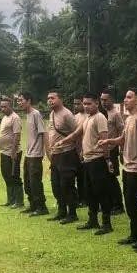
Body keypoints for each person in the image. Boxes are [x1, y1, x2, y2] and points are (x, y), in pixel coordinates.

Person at [99, 88, 137, 250]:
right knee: (130, 203)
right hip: (128, 167)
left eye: (129, 97)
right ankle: (134, 234)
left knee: (133, 203)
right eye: (125, 97)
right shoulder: (129, 118)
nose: (126, 99)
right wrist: (108, 142)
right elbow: (122, 139)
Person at [54, 92, 113, 234]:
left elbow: (104, 141)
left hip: (97, 160)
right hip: (87, 161)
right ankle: (92, 220)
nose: (86, 106)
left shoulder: (100, 118)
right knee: (89, 192)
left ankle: (106, 224)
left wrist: (107, 160)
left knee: (101, 192)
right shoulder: (88, 118)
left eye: (89, 103)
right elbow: (76, 134)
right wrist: (63, 141)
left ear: (96, 104)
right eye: (84, 104)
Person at [46, 91, 80, 224]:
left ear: (60, 99)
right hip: (56, 154)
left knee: (67, 185)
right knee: (56, 184)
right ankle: (61, 211)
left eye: (52, 98)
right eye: (48, 98)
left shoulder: (67, 114)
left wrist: (78, 152)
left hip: (67, 154)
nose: (50, 100)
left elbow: (76, 133)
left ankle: (72, 213)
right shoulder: (52, 114)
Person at [0, 98, 24, 208]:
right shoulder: (4, 118)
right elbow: (1, 136)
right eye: (1, 106)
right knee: (6, 176)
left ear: (10, 106)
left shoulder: (15, 118)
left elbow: (17, 136)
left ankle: (19, 201)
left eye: (5, 106)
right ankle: (10, 200)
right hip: (4, 152)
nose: (2, 109)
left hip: (13, 153)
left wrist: (13, 152)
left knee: (14, 176)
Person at [17, 92, 49, 216]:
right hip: (28, 154)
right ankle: (33, 205)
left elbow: (43, 133)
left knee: (35, 181)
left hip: (36, 154)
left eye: (21, 100)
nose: (19, 103)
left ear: (28, 101)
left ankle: (42, 207)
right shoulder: (28, 115)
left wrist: (45, 152)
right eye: (18, 100)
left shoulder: (36, 114)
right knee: (27, 181)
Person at [100, 88, 125, 215]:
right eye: (101, 100)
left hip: (112, 150)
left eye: (106, 100)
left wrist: (121, 151)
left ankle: (118, 205)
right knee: (105, 178)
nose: (103, 102)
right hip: (103, 150)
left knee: (112, 177)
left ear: (112, 100)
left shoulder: (115, 114)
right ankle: (109, 203)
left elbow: (122, 132)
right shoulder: (103, 113)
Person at [72, 97, 89, 208]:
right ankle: (79, 197)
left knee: (84, 177)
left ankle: (86, 199)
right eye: (75, 104)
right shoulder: (75, 117)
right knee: (77, 175)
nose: (76, 106)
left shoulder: (88, 117)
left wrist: (83, 150)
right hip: (75, 150)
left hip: (85, 150)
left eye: (78, 103)